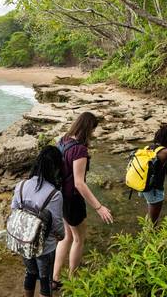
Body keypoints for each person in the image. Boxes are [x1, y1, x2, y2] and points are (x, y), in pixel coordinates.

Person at [52, 112, 113, 290]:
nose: (94, 134)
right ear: (89, 129)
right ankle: (73, 279)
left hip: (60, 196)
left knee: (66, 237)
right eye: (93, 130)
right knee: (79, 239)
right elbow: (79, 183)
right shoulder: (79, 149)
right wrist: (99, 207)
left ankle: (55, 278)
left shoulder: (63, 140)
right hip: (72, 199)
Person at [11, 146, 66, 297]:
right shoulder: (54, 194)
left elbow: (14, 209)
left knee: (30, 273)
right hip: (45, 246)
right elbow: (57, 225)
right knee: (45, 280)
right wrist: (61, 237)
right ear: (55, 167)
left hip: (23, 240)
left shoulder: (21, 185)